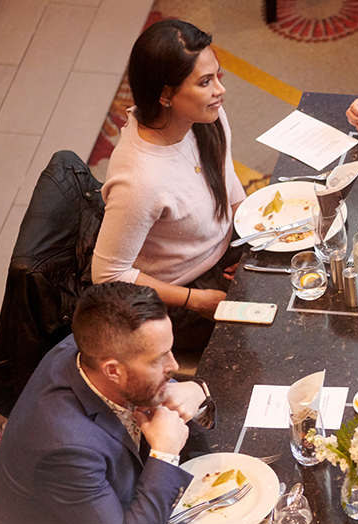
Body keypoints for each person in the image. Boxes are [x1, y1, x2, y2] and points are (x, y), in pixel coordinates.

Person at [0, 282, 215, 524]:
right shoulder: (64, 447)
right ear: (113, 371)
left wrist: (198, 390)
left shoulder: (91, 347)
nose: (173, 367)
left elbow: (166, 388)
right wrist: (165, 454)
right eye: (159, 360)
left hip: (92, 510)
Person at [93, 19, 245, 350]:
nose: (220, 90)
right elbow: (107, 274)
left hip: (223, 252)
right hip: (181, 295)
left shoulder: (205, 118)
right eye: (205, 82)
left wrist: (249, 239)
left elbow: (227, 180)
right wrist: (196, 300)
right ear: (166, 94)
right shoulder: (139, 179)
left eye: (217, 76)